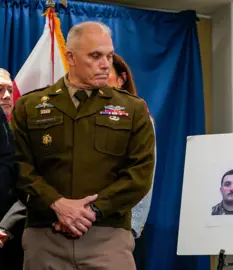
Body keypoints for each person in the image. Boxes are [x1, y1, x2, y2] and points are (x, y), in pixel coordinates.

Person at [10, 21, 155, 270]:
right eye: (95, 56)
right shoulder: (29, 106)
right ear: (71, 57)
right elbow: (19, 167)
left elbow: (140, 175)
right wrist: (57, 204)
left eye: (109, 56)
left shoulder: (133, 109)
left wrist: (91, 211)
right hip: (45, 235)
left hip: (107, 237)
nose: (105, 64)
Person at [107, 53, 156, 239]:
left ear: (121, 79)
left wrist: (133, 227)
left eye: (107, 72)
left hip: (119, 226)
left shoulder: (138, 118)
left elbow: (143, 176)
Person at [0, 68, 23, 270]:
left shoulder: (26, 132)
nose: (7, 96)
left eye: (9, 89)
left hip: (15, 232)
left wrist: (6, 226)